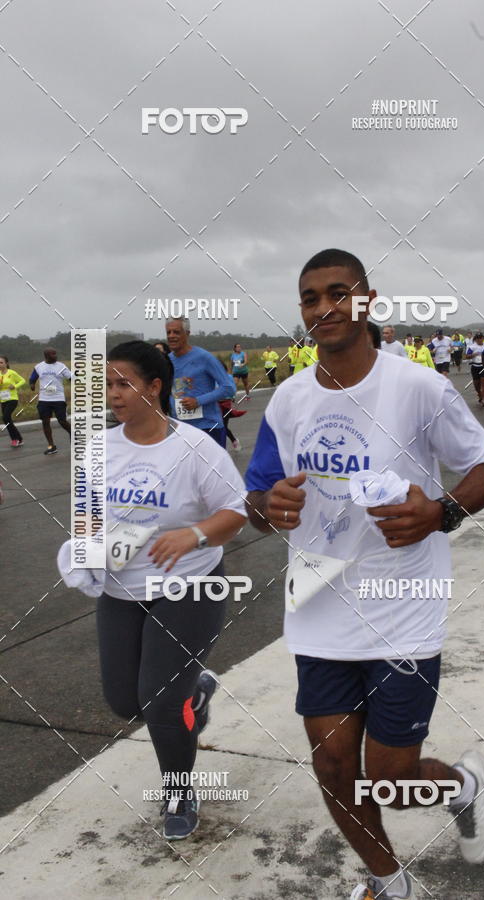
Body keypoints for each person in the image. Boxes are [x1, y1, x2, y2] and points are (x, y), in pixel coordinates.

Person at [245, 248, 484, 900]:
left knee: (392, 780)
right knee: (333, 767)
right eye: (310, 298)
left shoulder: (417, 387)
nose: (323, 307)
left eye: (338, 292)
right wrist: (267, 508)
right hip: (319, 608)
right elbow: (257, 503)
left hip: (402, 606)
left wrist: (441, 512)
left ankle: (461, 786)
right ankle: (389, 882)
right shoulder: (288, 400)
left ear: (367, 301)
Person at [98, 341, 247, 840]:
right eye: (109, 384)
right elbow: (87, 517)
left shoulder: (194, 448)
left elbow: (236, 511)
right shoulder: (100, 449)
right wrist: (82, 553)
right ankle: (196, 694)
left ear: (155, 387)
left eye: (124, 384)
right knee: (126, 702)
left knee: (160, 701)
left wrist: (195, 534)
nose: (114, 394)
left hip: (190, 585)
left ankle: (179, 790)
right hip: (121, 588)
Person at [166, 317, 234, 448]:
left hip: (208, 427)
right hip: (180, 429)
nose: (171, 336)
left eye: (176, 332)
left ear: (187, 333)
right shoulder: (167, 360)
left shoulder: (204, 358)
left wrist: (198, 401)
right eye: (168, 332)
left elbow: (228, 387)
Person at [29, 347, 72, 455]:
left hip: (58, 398)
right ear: (46, 356)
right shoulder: (39, 367)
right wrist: (32, 385)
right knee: (45, 422)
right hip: (44, 399)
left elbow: (71, 378)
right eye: (53, 354)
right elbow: (32, 378)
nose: (55, 355)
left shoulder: (61, 366)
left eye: (55, 353)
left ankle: (73, 435)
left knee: (62, 421)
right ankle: (51, 446)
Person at [218, 360, 246, 451]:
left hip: (225, 404)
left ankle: (234, 441)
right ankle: (221, 446)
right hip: (215, 405)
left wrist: (232, 396)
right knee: (217, 426)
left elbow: (233, 389)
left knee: (223, 426)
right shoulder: (213, 378)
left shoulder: (228, 377)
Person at [0, 356, 26, 447]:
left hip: (12, 399)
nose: (0, 364)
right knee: (6, 419)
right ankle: (19, 439)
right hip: (3, 399)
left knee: (6, 417)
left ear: (6, 363)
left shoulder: (11, 373)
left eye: (1, 362)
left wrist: (14, 386)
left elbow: (22, 381)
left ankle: (15, 439)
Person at [466, 333, 484, 407]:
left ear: (483, 338)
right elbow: (467, 356)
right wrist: (473, 354)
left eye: (481, 338)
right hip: (475, 367)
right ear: (475, 339)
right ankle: (480, 394)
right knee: (476, 384)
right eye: (478, 338)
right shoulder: (472, 347)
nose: (479, 339)